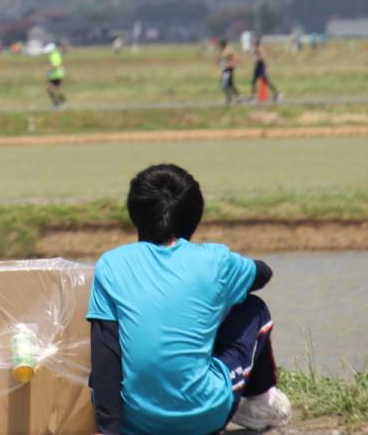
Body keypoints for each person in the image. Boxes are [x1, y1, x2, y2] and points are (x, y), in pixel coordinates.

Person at [87, 164, 291, 435]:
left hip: (136, 423)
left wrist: (108, 431)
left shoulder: (111, 264)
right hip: (205, 417)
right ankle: (260, 403)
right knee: (253, 308)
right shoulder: (215, 261)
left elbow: (105, 355)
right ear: (194, 217)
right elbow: (263, 274)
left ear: (135, 213)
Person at [251, 37, 280, 102]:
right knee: (253, 80)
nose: (254, 42)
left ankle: (276, 92)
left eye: (255, 41)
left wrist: (257, 58)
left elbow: (263, 56)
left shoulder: (260, 48)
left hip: (261, 65)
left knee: (265, 80)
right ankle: (253, 95)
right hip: (258, 65)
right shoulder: (255, 48)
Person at [44, 42, 66, 108]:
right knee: (53, 89)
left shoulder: (54, 55)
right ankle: (58, 103)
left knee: (53, 89)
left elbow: (57, 64)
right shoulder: (53, 54)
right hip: (55, 74)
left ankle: (60, 103)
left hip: (56, 74)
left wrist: (49, 67)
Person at [218, 39, 239, 104]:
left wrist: (231, 64)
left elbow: (234, 57)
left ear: (223, 45)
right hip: (226, 69)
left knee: (224, 84)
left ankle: (229, 98)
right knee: (230, 84)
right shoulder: (224, 51)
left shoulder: (227, 51)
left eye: (220, 45)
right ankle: (237, 96)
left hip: (228, 69)